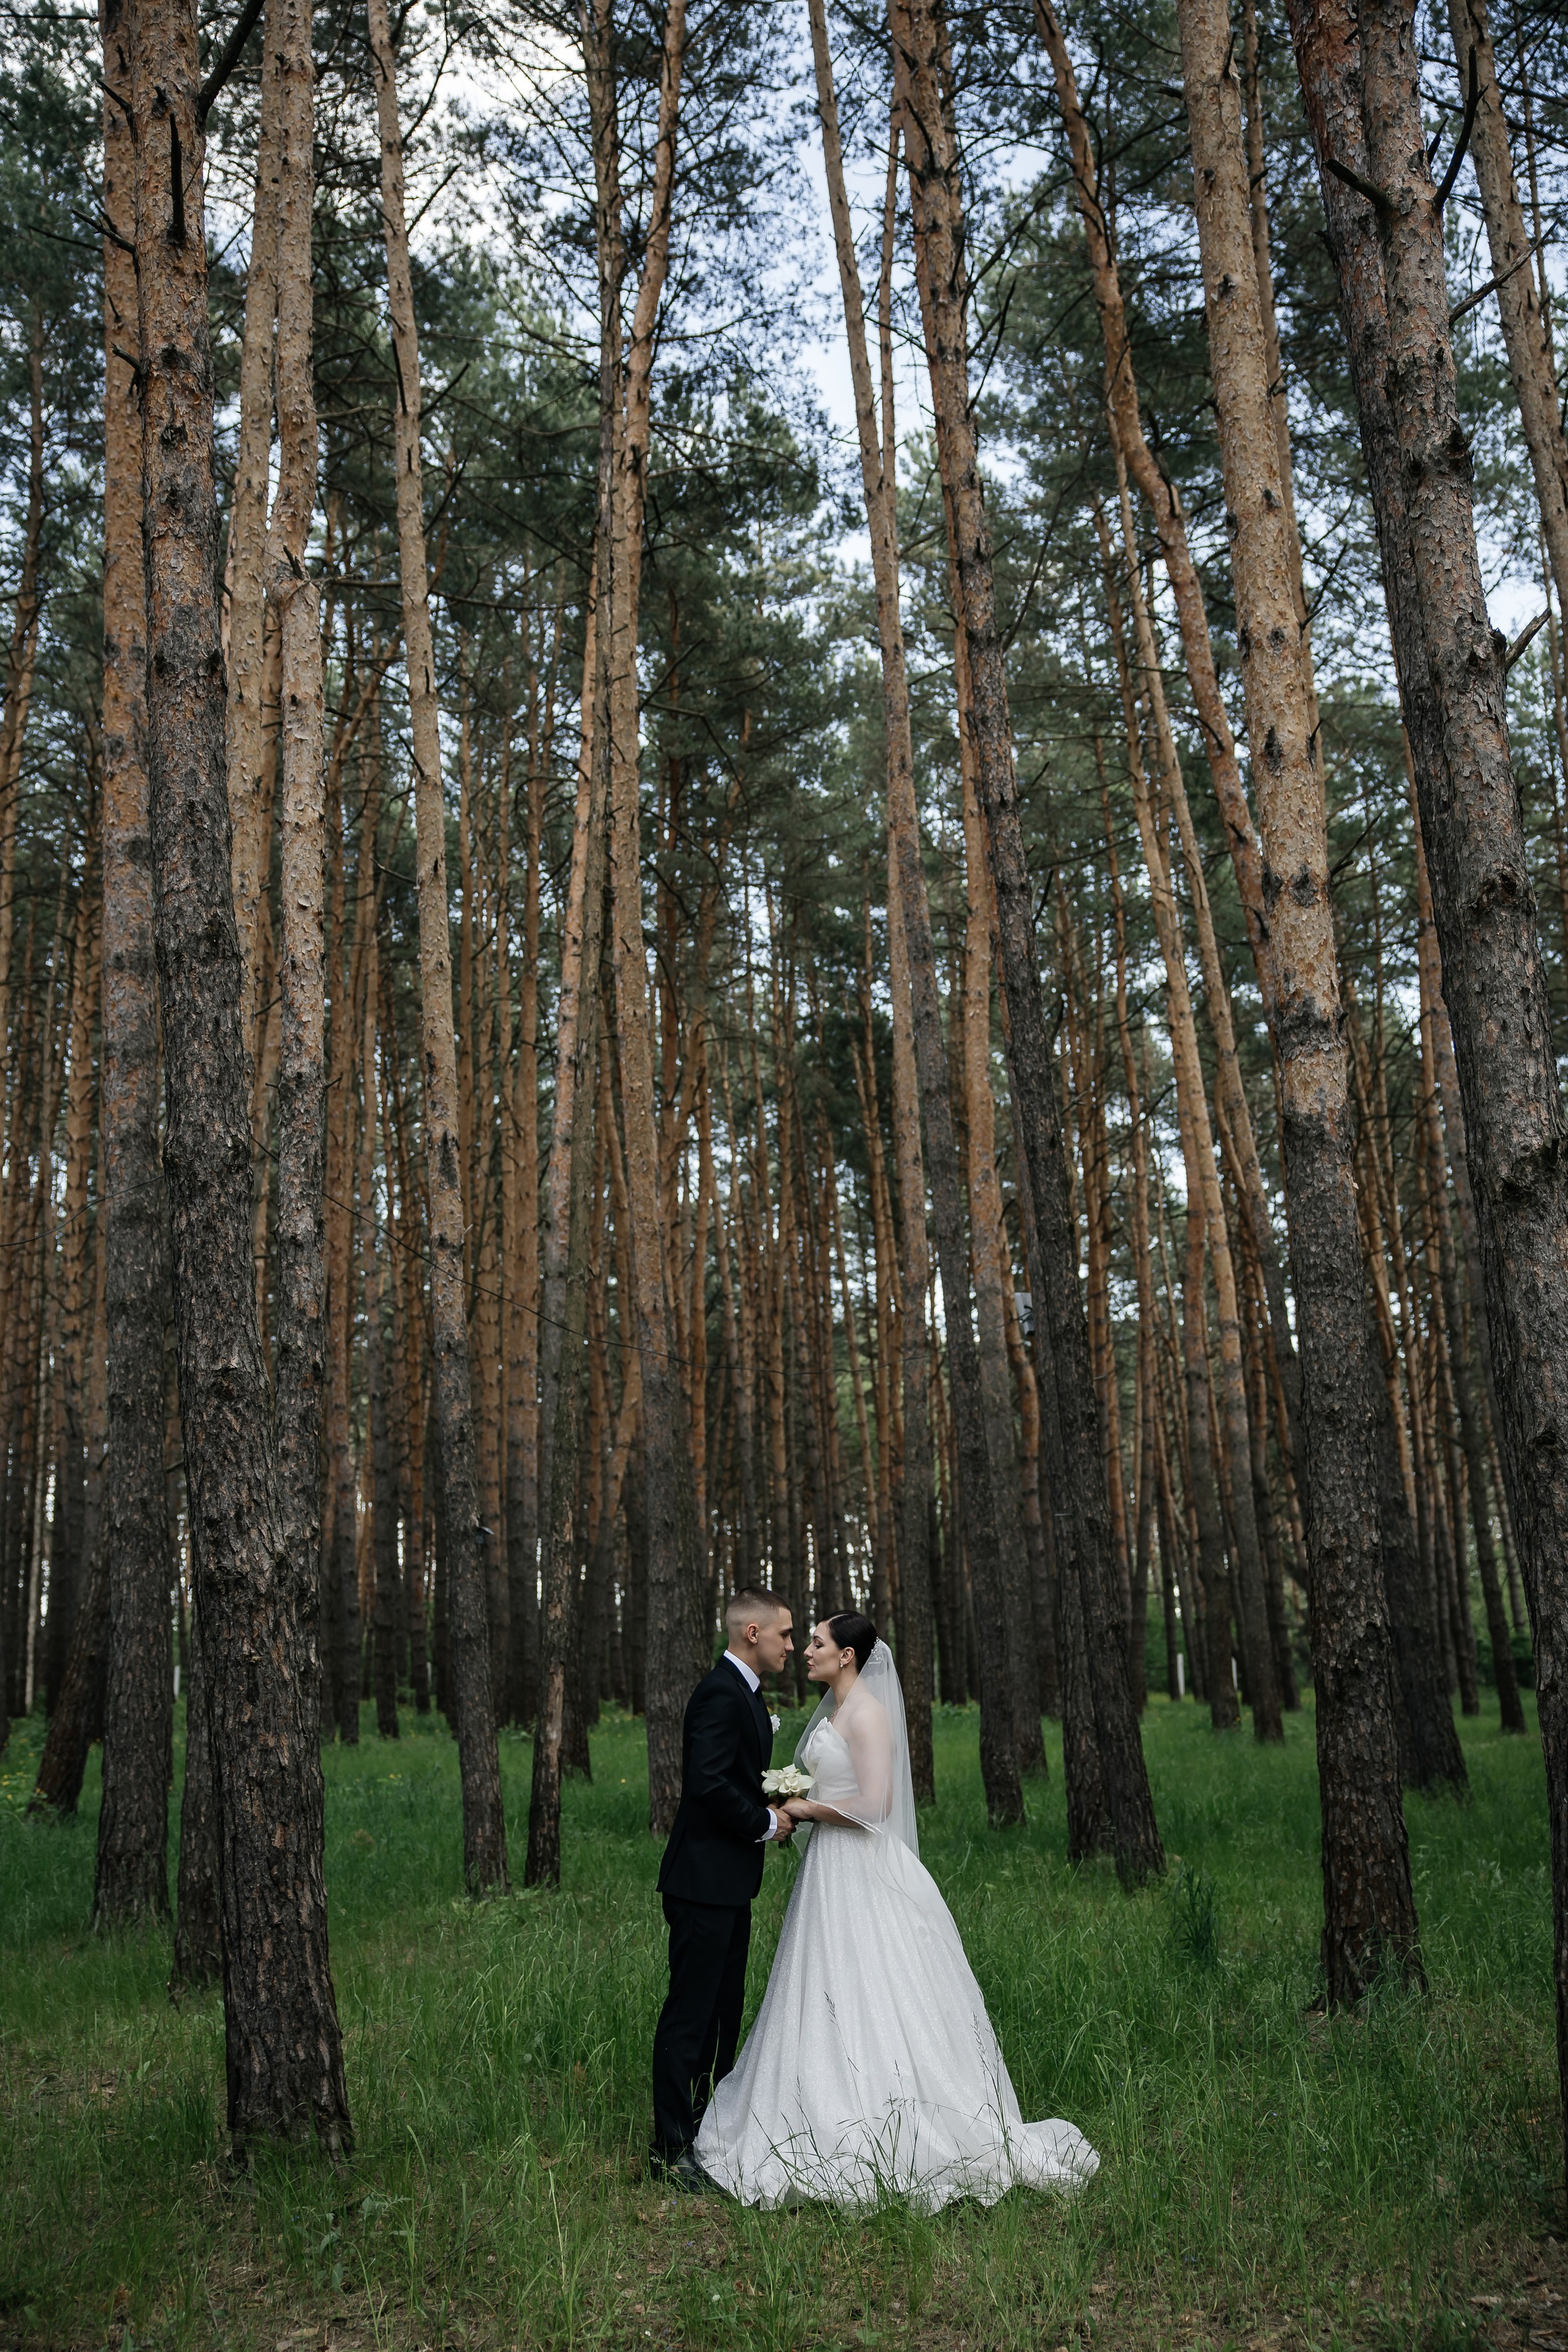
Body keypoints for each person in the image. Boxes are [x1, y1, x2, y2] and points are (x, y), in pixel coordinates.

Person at [692, 1611, 1099, 2212]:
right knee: (819, 1985)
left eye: (818, 1643)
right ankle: (807, 2097)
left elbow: (875, 1804)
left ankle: (889, 2117)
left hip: (862, 1866)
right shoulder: (833, 1710)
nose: (806, 1650)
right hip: (827, 1875)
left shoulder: (867, 1714)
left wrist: (804, 1809)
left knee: (876, 1986)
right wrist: (790, 1796)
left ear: (848, 1656)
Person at [650, 1587, 796, 2192]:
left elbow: (748, 1773)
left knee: (721, 2016)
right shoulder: (718, 1693)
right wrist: (768, 1822)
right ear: (752, 1634)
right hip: (702, 1883)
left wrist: (800, 1790)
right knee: (691, 2017)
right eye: (785, 1634)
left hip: (731, 1886)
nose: (791, 1644)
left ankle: (709, 2129)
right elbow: (709, 1784)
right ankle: (670, 2150)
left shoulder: (748, 1695)